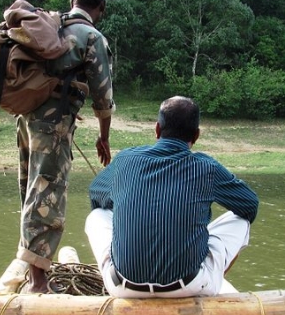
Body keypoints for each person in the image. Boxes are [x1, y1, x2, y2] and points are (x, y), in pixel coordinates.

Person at [85, 96, 258, 298]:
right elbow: (249, 205)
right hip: (187, 288)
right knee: (241, 221)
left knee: (96, 215)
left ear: (157, 129)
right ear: (196, 135)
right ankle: (211, 279)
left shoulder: (125, 160)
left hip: (122, 287)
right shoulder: (206, 167)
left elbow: (95, 195)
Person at [16, 0, 115, 293]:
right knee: (48, 194)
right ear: (100, 6)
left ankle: (32, 269)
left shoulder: (49, 25)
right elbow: (103, 97)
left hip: (25, 118)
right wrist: (104, 137)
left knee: (31, 189)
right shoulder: (91, 36)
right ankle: (39, 283)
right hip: (53, 125)